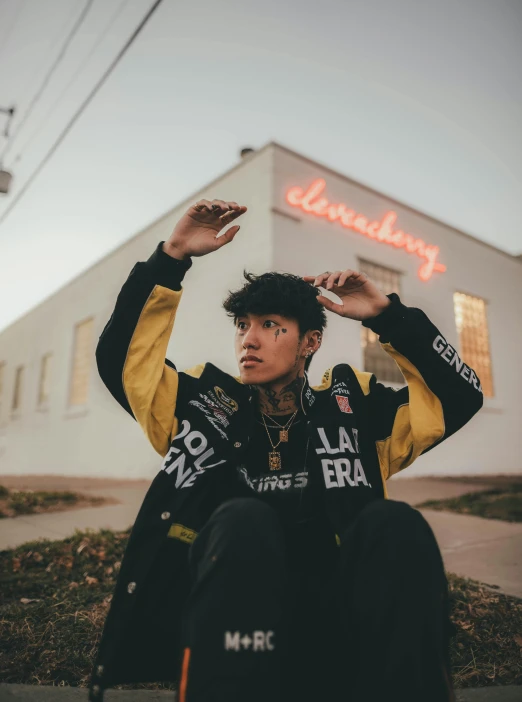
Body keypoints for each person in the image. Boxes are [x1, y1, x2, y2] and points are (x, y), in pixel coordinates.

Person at [89, 198, 483, 702]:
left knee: (396, 525)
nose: (249, 340)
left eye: (271, 325)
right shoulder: (203, 405)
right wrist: (173, 257)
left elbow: (459, 395)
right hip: (236, 639)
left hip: (343, 632)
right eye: (242, 326)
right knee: (241, 521)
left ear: (309, 342)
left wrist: (387, 316)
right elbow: (121, 362)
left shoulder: (355, 407)